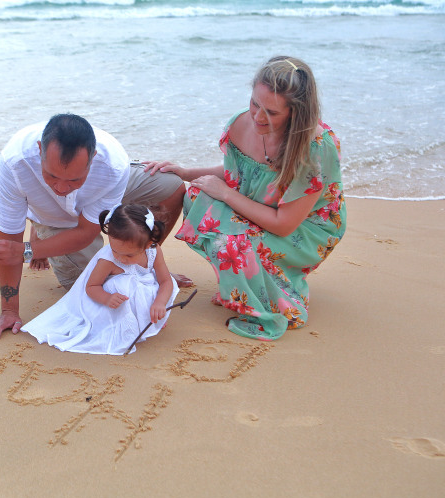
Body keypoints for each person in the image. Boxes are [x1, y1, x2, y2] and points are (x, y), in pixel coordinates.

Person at [144, 56, 346, 341]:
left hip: (305, 228)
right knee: (196, 194)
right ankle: (251, 282)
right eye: (255, 104)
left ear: (296, 113)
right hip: (263, 207)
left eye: (272, 113)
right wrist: (186, 171)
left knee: (230, 243)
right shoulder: (242, 123)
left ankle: (268, 300)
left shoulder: (315, 147)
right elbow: (242, 174)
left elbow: (283, 224)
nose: (258, 117)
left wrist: (225, 193)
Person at [0, 113, 188, 340]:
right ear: (39, 149)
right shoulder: (14, 163)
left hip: (101, 197)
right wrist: (9, 311)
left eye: (74, 180)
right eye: (51, 176)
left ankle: (142, 266)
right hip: (55, 217)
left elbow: (87, 232)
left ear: (93, 157)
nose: (61, 187)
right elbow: (9, 245)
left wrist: (147, 265)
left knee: (170, 186)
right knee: (96, 288)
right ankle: (40, 223)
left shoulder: (113, 164)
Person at [21, 203, 179, 355]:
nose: (121, 258)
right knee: (123, 284)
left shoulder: (153, 251)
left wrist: (159, 303)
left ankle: (147, 317)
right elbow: (91, 287)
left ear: (148, 244)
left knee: (160, 287)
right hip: (113, 302)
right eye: (116, 250)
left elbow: (165, 281)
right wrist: (107, 298)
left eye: (129, 255)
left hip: (142, 290)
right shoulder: (108, 260)